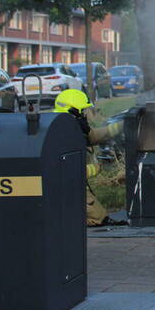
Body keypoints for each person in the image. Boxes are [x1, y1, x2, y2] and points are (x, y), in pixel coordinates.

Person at [53, 88, 124, 226]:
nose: (86, 115)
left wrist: (124, 124)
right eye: (83, 111)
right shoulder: (60, 136)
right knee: (98, 218)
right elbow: (66, 171)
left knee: (100, 216)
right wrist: (97, 168)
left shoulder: (72, 128)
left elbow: (97, 135)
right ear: (74, 111)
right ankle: (63, 221)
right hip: (66, 187)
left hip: (74, 186)